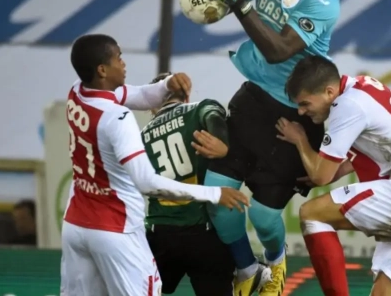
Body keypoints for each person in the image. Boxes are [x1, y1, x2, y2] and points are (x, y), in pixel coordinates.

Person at [194, 0, 341, 295]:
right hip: (252, 99)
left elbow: (278, 51)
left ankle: (275, 261)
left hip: (296, 114)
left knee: (261, 216)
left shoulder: (323, 0)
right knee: (218, 197)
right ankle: (248, 270)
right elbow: (227, 2)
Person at [60, 34, 249, 296]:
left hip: (76, 225)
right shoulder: (117, 118)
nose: (124, 63)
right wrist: (214, 193)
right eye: (118, 58)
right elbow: (147, 183)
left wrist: (167, 84)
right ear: (102, 70)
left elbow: (139, 95)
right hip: (115, 229)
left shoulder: (77, 92)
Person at [276, 55, 391, 296]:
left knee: (313, 214)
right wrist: (335, 168)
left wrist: (300, 140)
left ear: (329, 92)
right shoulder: (366, 87)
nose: (301, 111)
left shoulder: (347, 105)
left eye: (305, 103)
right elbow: (380, 146)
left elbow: (320, 176)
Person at [142, 72, 236, 296]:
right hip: (202, 231)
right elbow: (213, 115)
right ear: (186, 95)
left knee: (140, 290)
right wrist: (222, 143)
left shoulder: (141, 136)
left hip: (159, 233)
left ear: (152, 104)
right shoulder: (198, 108)